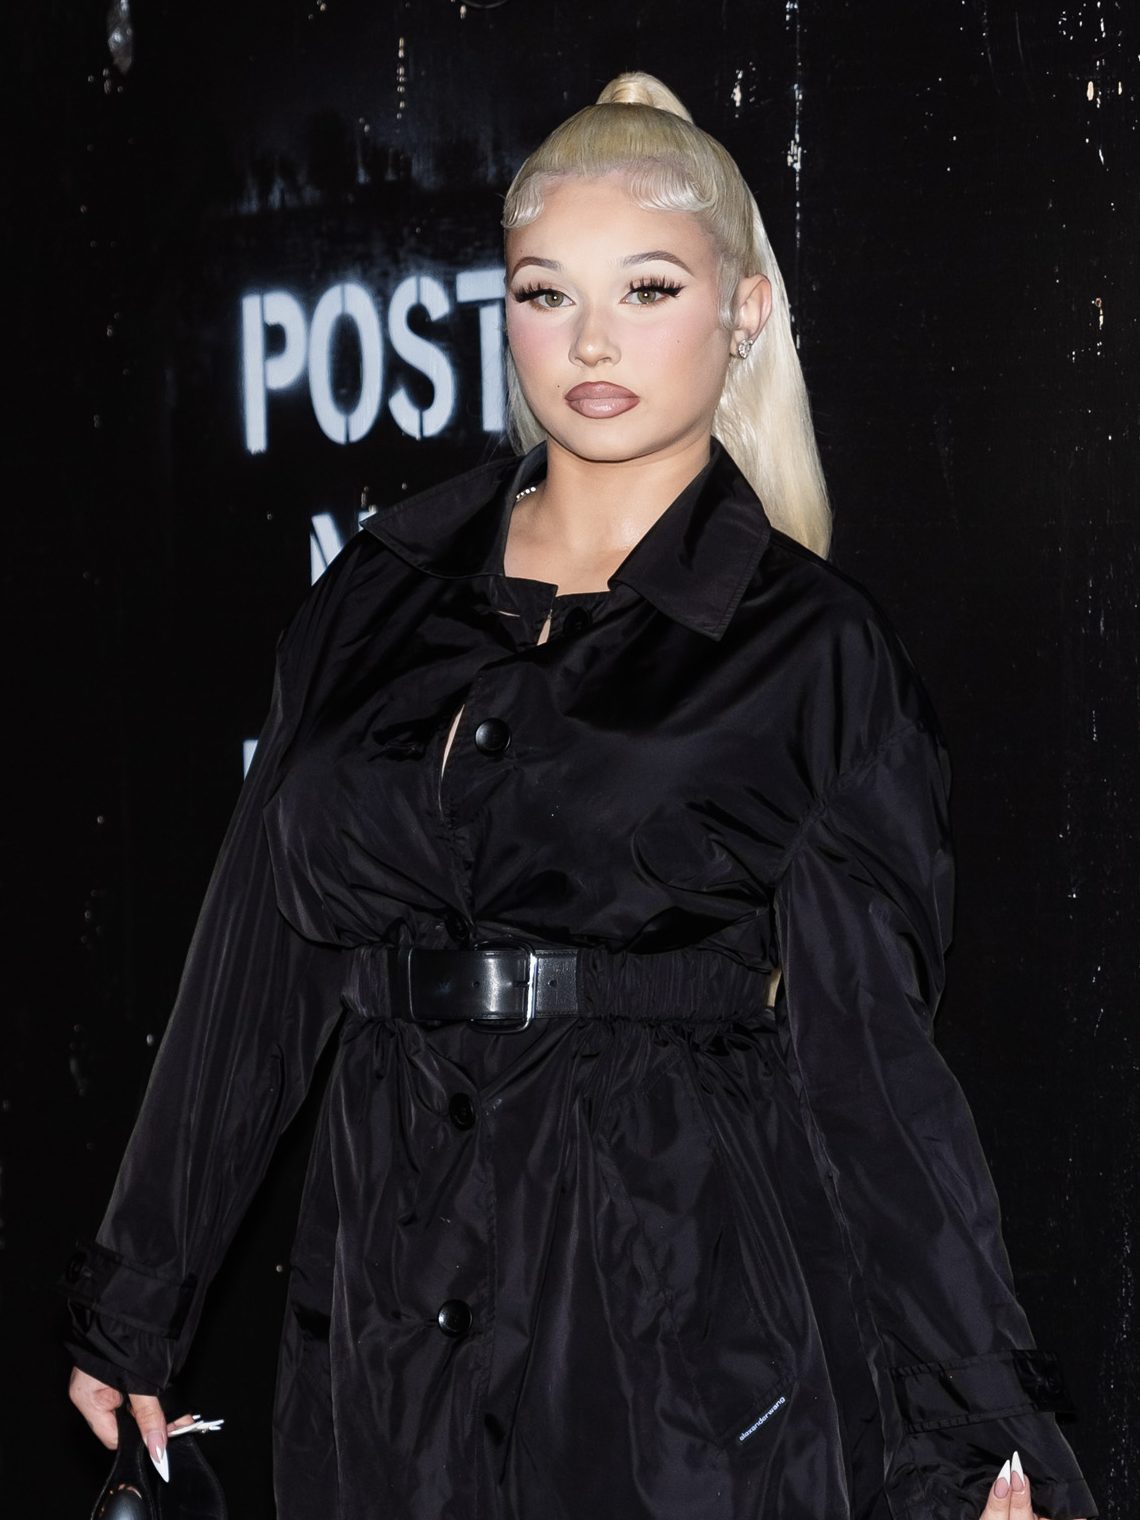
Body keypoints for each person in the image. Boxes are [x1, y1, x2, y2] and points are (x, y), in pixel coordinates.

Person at [65, 72, 1096, 1520]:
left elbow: (873, 1072)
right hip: (385, 1300)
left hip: (673, 1315)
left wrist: (981, 1422)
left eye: (648, 289)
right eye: (546, 292)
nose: (592, 340)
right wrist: (140, 1291)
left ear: (742, 312)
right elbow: (258, 960)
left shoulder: (813, 651)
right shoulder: (373, 595)